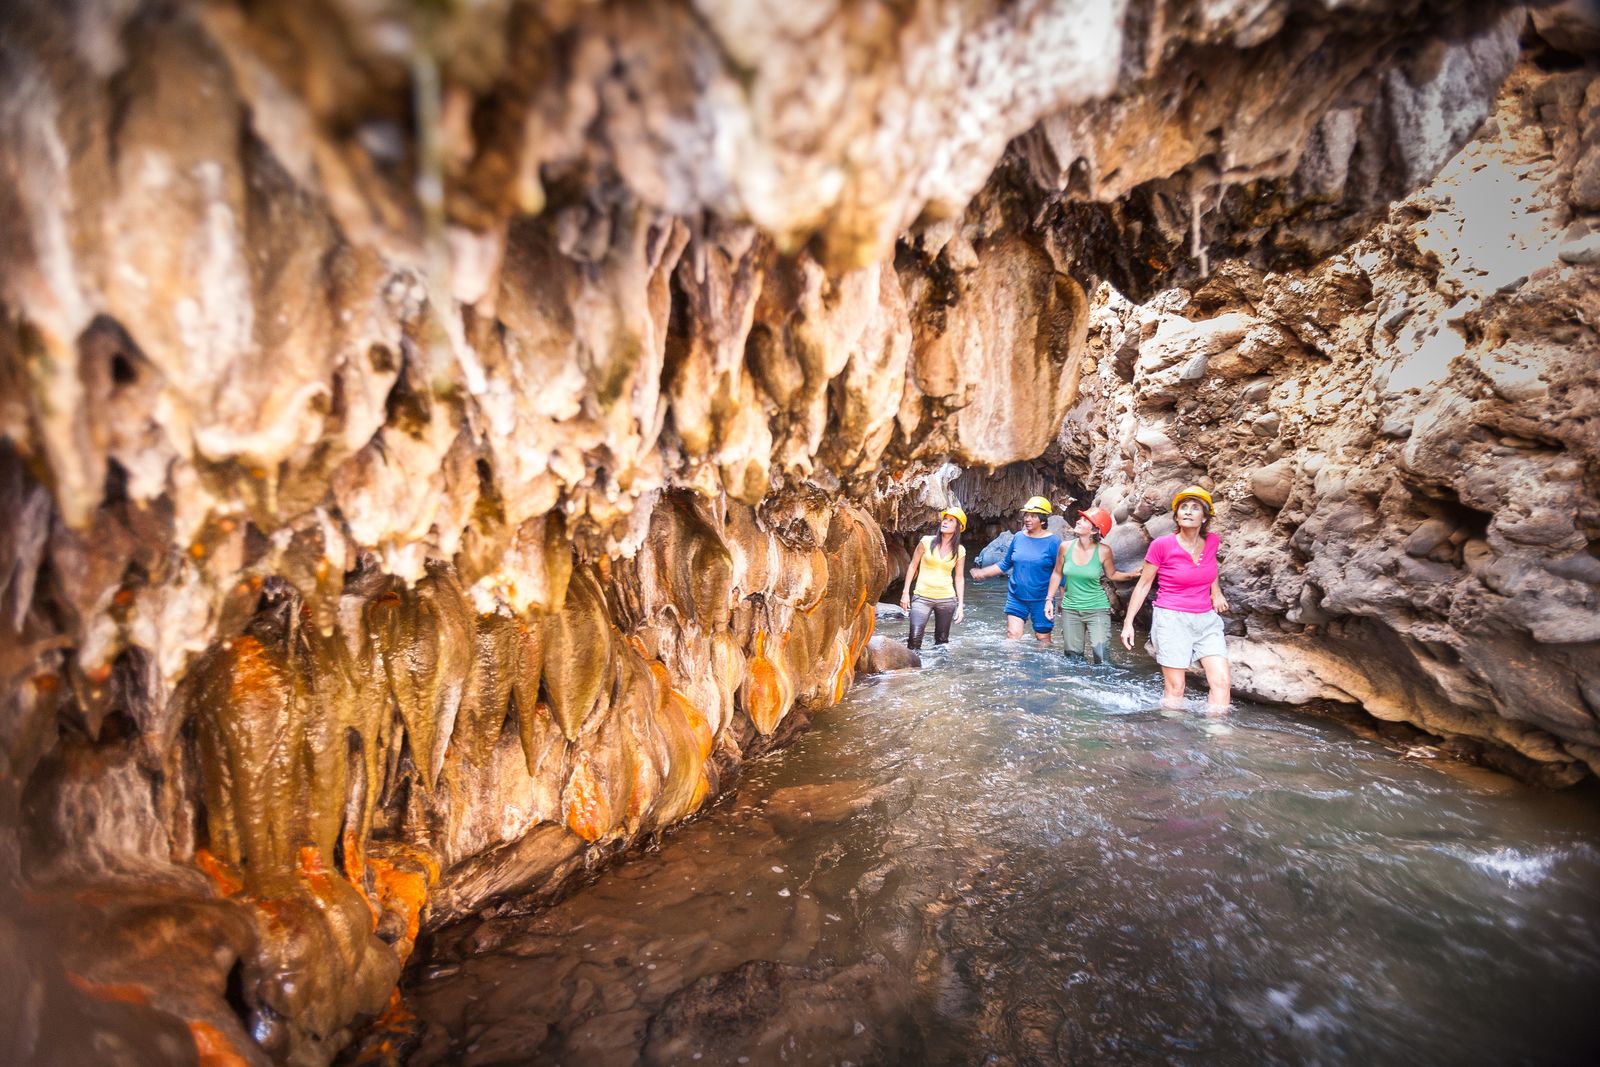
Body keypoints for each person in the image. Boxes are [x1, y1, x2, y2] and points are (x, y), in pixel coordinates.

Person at [1120, 486, 1232, 711]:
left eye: (1195, 508)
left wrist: (1216, 591)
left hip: (1206, 620)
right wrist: (1128, 623)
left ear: (1205, 516)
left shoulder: (1212, 541)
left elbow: (1210, 566)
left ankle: (1217, 736)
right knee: (1176, 687)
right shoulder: (1162, 545)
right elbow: (1144, 585)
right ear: (1177, 515)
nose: (1188, 512)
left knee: (1221, 682)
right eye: (1184, 508)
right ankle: (1172, 738)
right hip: (1171, 619)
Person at [1046, 506, 1140, 663]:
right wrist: (1049, 599)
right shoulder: (1065, 547)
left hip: (1096, 609)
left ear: (1095, 530)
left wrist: (1132, 575)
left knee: (1101, 658)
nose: (1078, 521)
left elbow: (1112, 575)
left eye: (1084, 520)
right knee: (1072, 659)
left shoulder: (1104, 551)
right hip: (1071, 609)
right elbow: (1057, 573)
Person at [970, 497, 1062, 643]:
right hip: (1016, 596)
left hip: (1041, 599)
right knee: (1012, 636)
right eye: (1026, 515)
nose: (1027, 519)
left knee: (1042, 637)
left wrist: (1060, 600)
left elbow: (1059, 572)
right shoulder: (1019, 537)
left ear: (1043, 520)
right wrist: (983, 572)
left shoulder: (1053, 542)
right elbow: (1006, 563)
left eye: (1033, 516)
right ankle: (1012, 665)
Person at [900, 507, 967, 650]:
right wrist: (905, 592)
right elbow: (913, 566)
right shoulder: (926, 541)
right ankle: (914, 671)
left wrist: (960, 606)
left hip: (946, 599)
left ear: (958, 527)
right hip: (922, 597)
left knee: (941, 642)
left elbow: (959, 578)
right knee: (914, 640)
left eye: (951, 521)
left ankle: (938, 672)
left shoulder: (960, 550)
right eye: (945, 519)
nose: (945, 522)